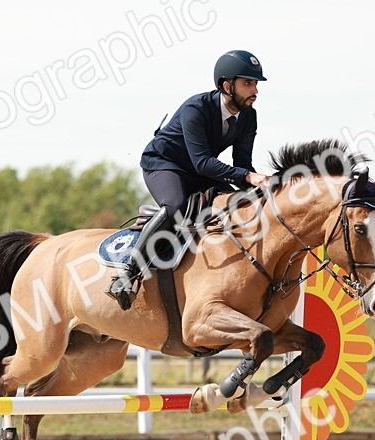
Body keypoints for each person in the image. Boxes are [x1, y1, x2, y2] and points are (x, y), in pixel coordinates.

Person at [107, 49, 271, 309]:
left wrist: (260, 190)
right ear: (227, 86)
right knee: (175, 206)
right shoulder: (196, 108)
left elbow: (242, 166)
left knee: (236, 206)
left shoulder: (248, 115)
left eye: (255, 84)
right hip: (163, 165)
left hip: (200, 172)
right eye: (248, 83)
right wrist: (249, 176)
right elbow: (203, 162)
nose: (255, 90)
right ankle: (128, 273)